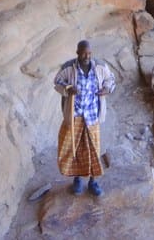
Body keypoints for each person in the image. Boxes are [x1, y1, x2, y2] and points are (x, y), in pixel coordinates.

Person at [53, 40, 116, 196]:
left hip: (92, 115)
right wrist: (68, 89)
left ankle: (93, 182)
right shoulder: (69, 67)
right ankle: (77, 180)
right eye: (83, 53)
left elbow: (111, 80)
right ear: (77, 53)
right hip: (74, 115)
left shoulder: (100, 67)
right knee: (73, 148)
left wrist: (107, 89)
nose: (86, 56)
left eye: (89, 53)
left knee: (94, 149)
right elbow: (57, 82)